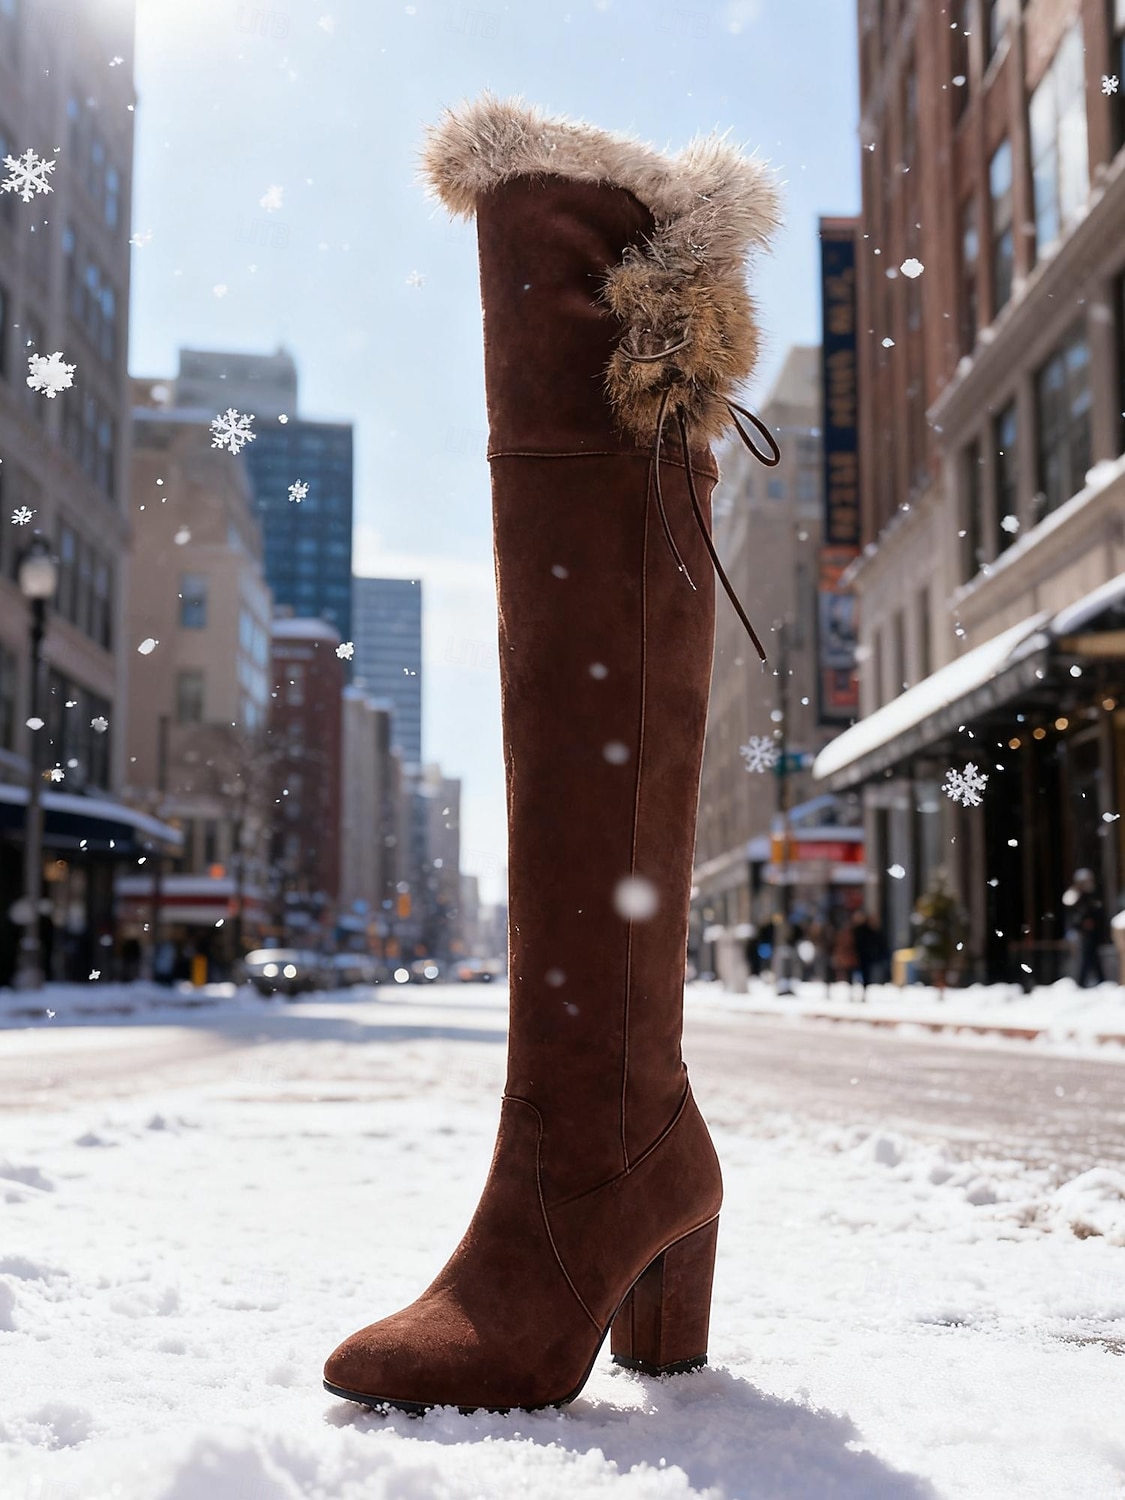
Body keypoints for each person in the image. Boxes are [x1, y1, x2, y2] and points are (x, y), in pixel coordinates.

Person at [1070, 868, 1106, 988]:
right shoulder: (1074, 896)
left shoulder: (1095, 896)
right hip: (1080, 933)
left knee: (1092, 956)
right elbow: (1072, 914)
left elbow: (1099, 913)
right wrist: (1081, 924)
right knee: (1084, 957)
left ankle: (1096, 981)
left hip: (1093, 933)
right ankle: (1082, 982)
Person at [852, 910, 890, 993]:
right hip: (860, 957)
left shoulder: (872, 931)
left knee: (866, 974)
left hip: (867, 957)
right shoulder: (858, 931)